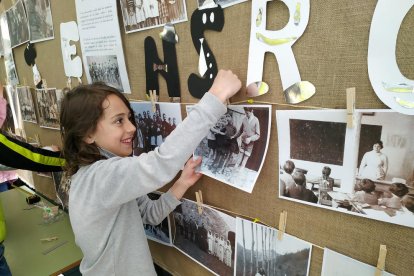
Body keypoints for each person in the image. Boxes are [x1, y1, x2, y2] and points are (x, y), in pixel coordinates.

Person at [59, 70, 241, 275]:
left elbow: (149, 214)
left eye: (129, 118)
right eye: (119, 121)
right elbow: (159, 164)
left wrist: (181, 184)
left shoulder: (103, 175)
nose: (132, 128)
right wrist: (216, 97)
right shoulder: (100, 177)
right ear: (88, 133)